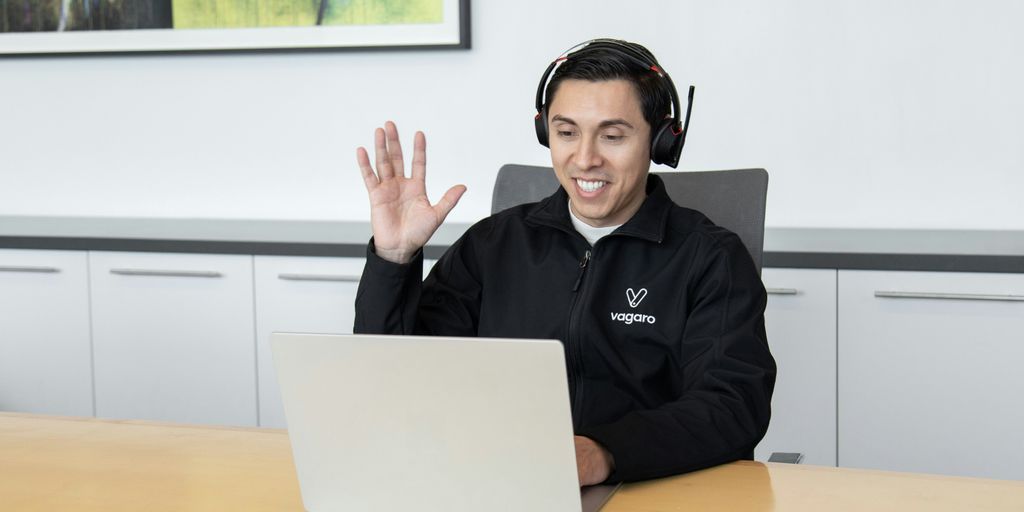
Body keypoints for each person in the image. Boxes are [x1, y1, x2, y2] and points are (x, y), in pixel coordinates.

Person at [353, 39, 776, 486]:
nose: (585, 158)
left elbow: (733, 405)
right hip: (504, 482)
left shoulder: (709, 257)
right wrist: (394, 260)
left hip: (650, 489)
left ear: (659, 140)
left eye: (612, 136)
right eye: (567, 132)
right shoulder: (493, 244)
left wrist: (604, 453)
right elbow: (396, 380)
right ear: (545, 134)